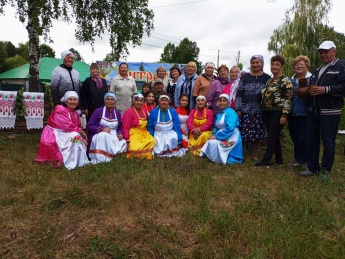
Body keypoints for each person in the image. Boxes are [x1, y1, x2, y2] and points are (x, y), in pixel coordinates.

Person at [300, 41, 345, 176]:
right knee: (312, 140)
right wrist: (307, 91)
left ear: (334, 51)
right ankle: (313, 167)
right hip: (313, 110)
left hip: (330, 111)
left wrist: (324, 90)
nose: (323, 55)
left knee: (328, 141)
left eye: (326, 51)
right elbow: (314, 88)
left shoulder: (341, 65)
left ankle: (325, 171)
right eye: (321, 52)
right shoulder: (319, 69)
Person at [35, 91, 89, 170]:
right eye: (70, 99)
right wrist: (81, 132)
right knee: (75, 137)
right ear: (66, 101)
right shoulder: (60, 110)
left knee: (77, 137)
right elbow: (67, 125)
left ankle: (77, 160)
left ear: (77, 102)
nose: (73, 101)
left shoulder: (76, 113)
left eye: (75, 100)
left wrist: (81, 137)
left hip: (67, 133)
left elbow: (76, 127)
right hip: (55, 133)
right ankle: (70, 160)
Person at [255, 55, 293, 167]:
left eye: (277, 64)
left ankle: (265, 161)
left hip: (278, 112)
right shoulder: (270, 81)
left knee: (271, 136)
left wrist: (284, 115)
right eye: (272, 64)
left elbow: (289, 98)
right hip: (267, 112)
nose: (274, 66)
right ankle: (279, 160)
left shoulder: (285, 80)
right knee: (274, 135)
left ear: (281, 66)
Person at [235, 55, 271, 162]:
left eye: (257, 62)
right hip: (245, 110)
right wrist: (238, 109)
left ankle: (254, 156)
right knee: (244, 133)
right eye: (253, 62)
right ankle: (243, 155)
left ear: (262, 63)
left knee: (258, 134)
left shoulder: (267, 78)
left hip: (260, 110)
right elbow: (239, 94)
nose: (255, 64)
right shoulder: (245, 77)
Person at [200, 94, 243, 164]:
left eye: (224, 101)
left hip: (231, 136)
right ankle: (213, 157)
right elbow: (216, 128)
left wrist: (217, 137)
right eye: (220, 101)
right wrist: (213, 136)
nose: (222, 103)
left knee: (214, 143)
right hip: (222, 134)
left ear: (228, 103)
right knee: (210, 141)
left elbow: (230, 128)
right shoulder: (218, 115)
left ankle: (225, 158)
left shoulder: (231, 112)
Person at [86, 92, 126, 163]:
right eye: (108, 99)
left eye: (112, 99)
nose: (110, 101)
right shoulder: (98, 111)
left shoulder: (117, 113)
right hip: (99, 134)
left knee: (123, 142)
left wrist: (120, 133)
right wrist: (101, 129)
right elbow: (89, 126)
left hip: (113, 134)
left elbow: (119, 127)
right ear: (104, 101)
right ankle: (102, 157)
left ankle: (112, 156)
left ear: (115, 102)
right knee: (104, 136)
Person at [287, 55, 312, 168]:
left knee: (304, 138)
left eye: (301, 64)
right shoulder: (290, 81)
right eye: (296, 65)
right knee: (295, 137)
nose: (299, 66)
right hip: (293, 113)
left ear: (307, 66)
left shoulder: (312, 79)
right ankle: (298, 159)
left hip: (306, 113)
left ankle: (307, 161)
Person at [122, 93, 155, 159]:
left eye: (141, 101)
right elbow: (125, 127)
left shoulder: (144, 111)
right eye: (137, 100)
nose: (139, 102)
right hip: (133, 133)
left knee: (152, 141)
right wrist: (127, 139)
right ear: (133, 101)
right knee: (135, 145)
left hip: (144, 133)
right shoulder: (129, 112)